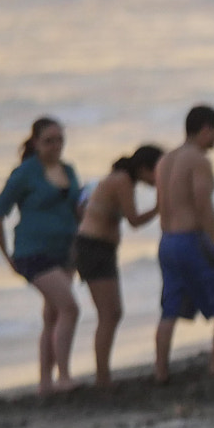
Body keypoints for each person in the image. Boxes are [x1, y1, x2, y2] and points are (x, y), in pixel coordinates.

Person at [0, 118, 84, 393]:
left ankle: (45, 381)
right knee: (70, 308)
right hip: (33, 251)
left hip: (65, 251)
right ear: (35, 143)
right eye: (49, 141)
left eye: (59, 140)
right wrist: (6, 254)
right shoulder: (25, 173)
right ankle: (64, 376)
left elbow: (75, 207)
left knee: (53, 313)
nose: (55, 146)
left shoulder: (69, 169)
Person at [154, 105, 214, 382]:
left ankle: (161, 371)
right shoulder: (198, 160)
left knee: (170, 310)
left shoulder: (165, 160)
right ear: (206, 130)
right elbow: (204, 206)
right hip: (191, 239)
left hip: (167, 241)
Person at [73, 143, 162, 387]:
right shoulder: (122, 180)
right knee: (109, 314)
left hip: (99, 248)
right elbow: (133, 220)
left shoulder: (123, 180)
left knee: (112, 313)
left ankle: (104, 375)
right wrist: (158, 207)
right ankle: (102, 378)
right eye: (158, 171)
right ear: (144, 168)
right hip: (94, 248)